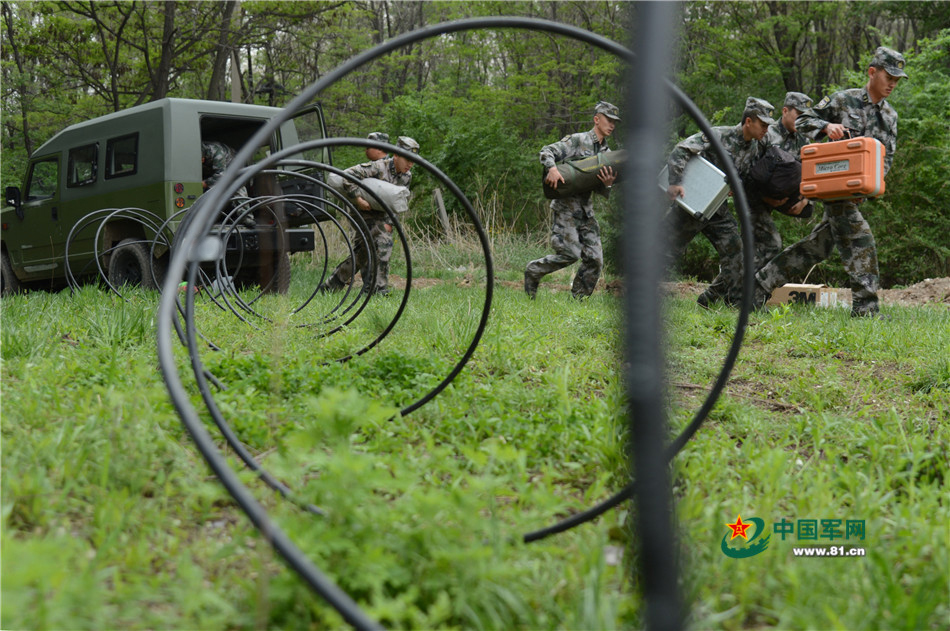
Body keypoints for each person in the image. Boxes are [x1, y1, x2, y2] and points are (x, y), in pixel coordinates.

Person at [752, 46, 906, 318]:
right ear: (872, 72)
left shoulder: (890, 116)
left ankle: (757, 287)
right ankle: (865, 308)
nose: (893, 83)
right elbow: (803, 120)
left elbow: (886, 156)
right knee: (861, 239)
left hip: (855, 192)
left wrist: (869, 187)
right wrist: (826, 127)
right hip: (831, 185)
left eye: (897, 79)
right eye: (888, 77)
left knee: (816, 247)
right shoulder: (843, 100)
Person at [665, 97, 775, 307]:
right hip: (692, 204)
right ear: (748, 122)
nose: (766, 131)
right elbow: (682, 149)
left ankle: (733, 305)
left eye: (768, 126)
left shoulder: (753, 148)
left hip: (717, 209)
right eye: (763, 125)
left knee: (736, 253)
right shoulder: (718, 135)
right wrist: (675, 182)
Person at [524, 100, 620, 299]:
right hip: (565, 208)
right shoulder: (578, 140)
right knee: (569, 254)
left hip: (586, 211)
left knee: (595, 260)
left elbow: (601, 191)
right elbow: (546, 151)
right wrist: (551, 168)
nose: (611, 125)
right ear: (596, 119)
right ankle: (534, 270)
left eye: (614, 122)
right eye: (608, 120)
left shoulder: (608, 154)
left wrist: (608, 184)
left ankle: (578, 300)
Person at [320, 135, 419, 296]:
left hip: (381, 215)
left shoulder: (407, 176)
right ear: (396, 155)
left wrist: (390, 222)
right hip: (361, 211)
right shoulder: (378, 167)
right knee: (374, 246)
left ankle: (338, 284)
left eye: (413, 160)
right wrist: (358, 199)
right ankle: (374, 288)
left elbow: (396, 201)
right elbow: (348, 177)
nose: (410, 164)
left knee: (371, 249)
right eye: (407, 159)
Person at [746, 91, 815, 269]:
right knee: (770, 245)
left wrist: (804, 199)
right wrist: (766, 199)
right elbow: (749, 173)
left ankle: (742, 291)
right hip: (756, 199)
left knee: (762, 248)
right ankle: (731, 291)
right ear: (785, 111)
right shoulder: (766, 134)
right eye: (799, 115)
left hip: (784, 197)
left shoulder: (804, 141)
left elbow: (811, 174)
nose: (802, 120)